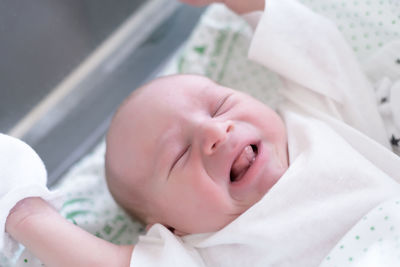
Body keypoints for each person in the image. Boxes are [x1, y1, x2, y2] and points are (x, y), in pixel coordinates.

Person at [2, 0, 400, 266]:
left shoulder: (318, 119)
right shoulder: (204, 251)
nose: (214, 131)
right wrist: (24, 214)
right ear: (172, 227)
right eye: (178, 156)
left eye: (220, 106)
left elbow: (313, 45)